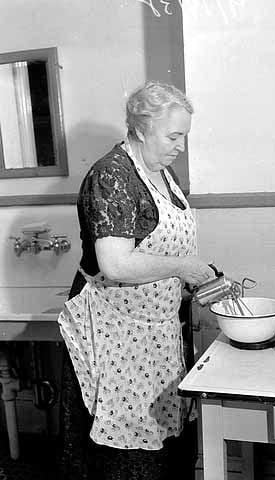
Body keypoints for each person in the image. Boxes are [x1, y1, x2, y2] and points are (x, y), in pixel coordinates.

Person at [57, 81, 215, 480]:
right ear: (142, 129)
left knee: (163, 442)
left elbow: (160, 246)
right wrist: (182, 268)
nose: (180, 145)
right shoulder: (111, 176)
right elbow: (116, 264)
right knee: (124, 451)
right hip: (115, 335)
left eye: (184, 136)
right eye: (174, 135)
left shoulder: (161, 170)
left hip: (156, 331)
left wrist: (192, 277)